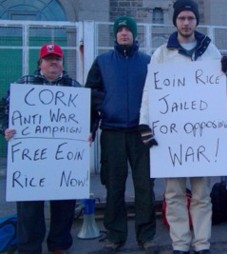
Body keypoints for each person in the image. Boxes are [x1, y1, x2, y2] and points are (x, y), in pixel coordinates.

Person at [139, 1, 227, 253]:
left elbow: (220, 91)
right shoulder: (162, 53)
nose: (186, 22)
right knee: (174, 194)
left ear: (196, 20)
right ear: (175, 21)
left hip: (203, 136)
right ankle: (180, 244)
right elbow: (150, 90)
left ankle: (202, 245)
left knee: (202, 195)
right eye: (182, 18)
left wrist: (226, 72)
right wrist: (144, 122)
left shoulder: (211, 51)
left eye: (190, 18)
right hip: (172, 139)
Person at [85, 16, 158, 254]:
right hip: (112, 133)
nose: (124, 33)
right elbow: (90, 94)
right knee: (114, 186)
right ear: (115, 35)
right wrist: (92, 125)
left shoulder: (148, 62)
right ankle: (115, 236)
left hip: (141, 134)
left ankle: (146, 236)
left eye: (128, 30)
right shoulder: (103, 61)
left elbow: (161, 95)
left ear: (135, 35)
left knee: (145, 186)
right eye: (120, 30)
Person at [0, 43, 80, 254]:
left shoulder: (74, 87)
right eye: (48, 58)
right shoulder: (23, 83)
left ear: (62, 62)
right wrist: (5, 128)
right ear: (40, 63)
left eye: (57, 59)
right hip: (30, 158)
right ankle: (29, 247)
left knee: (64, 203)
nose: (53, 62)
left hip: (64, 158)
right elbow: (3, 111)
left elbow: (87, 116)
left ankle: (59, 245)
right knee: (29, 207)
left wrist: (87, 132)